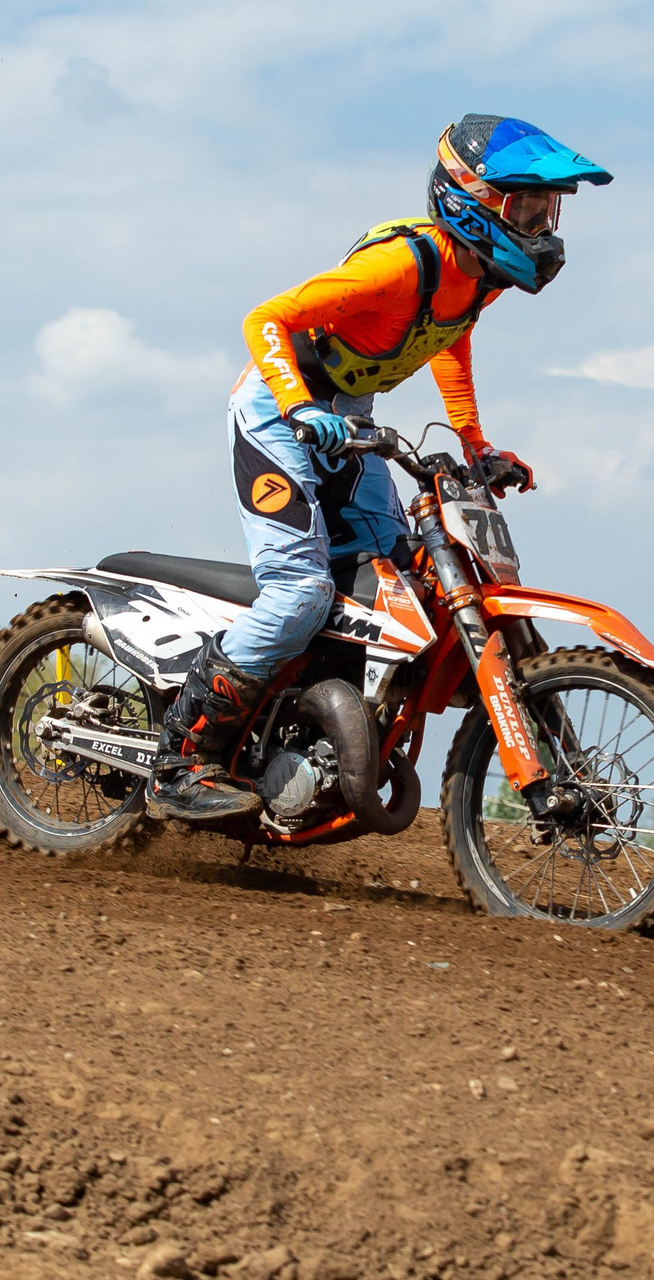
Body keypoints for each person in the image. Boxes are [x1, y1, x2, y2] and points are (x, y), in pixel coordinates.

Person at [147, 115, 612, 820]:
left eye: (548, 209)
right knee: (299, 593)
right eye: (527, 206)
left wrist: (476, 443)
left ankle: (306, 733)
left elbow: (447, 342)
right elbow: (267, 319)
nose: (543, 225)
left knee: (404, 587)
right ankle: (180, 760)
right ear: (474, 198)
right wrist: (302, 408)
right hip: (279, 413)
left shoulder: (475, 280)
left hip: (349, 422)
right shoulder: (399, 264)